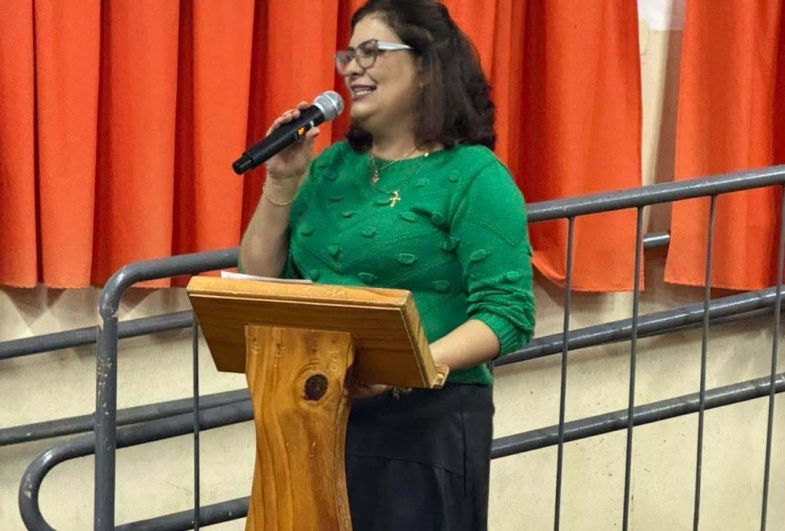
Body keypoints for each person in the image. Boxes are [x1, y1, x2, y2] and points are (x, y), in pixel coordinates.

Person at [239, 0, 536, 529]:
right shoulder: (331, 166)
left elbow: (507, 314)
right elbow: (262, 279)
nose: (352, 68)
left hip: (424, 424)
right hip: (314, 408)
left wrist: (407, 366)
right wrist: (282, 180)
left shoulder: (475, 175)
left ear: (426, 66)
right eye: (348, 55)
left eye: (371, 51)